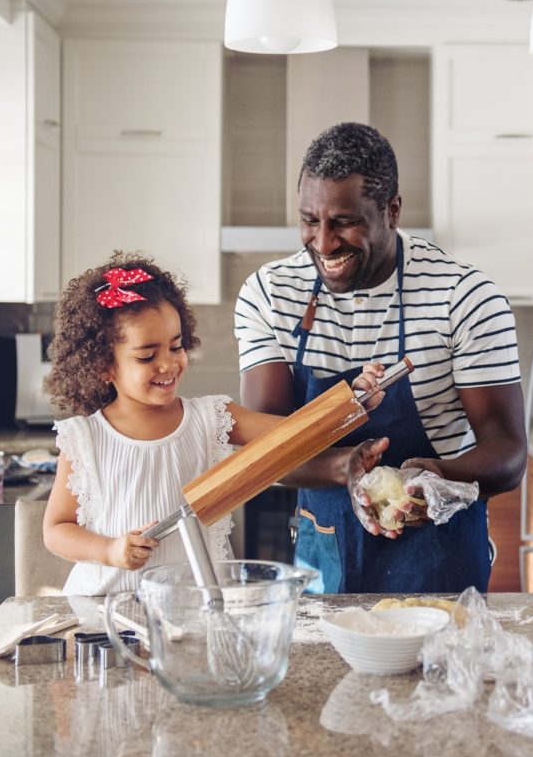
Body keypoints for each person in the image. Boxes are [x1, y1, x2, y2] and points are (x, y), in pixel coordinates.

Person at [234, 121, 527, 594]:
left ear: (392, 211)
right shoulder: (270, 293)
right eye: (310, 220)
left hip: (441, 554)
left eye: (345, 221)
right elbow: (263, 450)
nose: (324, 243)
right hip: (322, 557)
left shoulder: (464, 296)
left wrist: (437, 476)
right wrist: (344, 467)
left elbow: (508, 452)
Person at [41, 251, 382, 595]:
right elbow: (56, 530)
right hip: (104, 613)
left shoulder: (211, 418)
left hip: (196, 609)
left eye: (176, 347)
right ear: (103, 366)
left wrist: (353, 398)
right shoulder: (85, 438)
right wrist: (109, 550)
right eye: (147, 356)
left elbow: (292, 432)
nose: (169, 364)